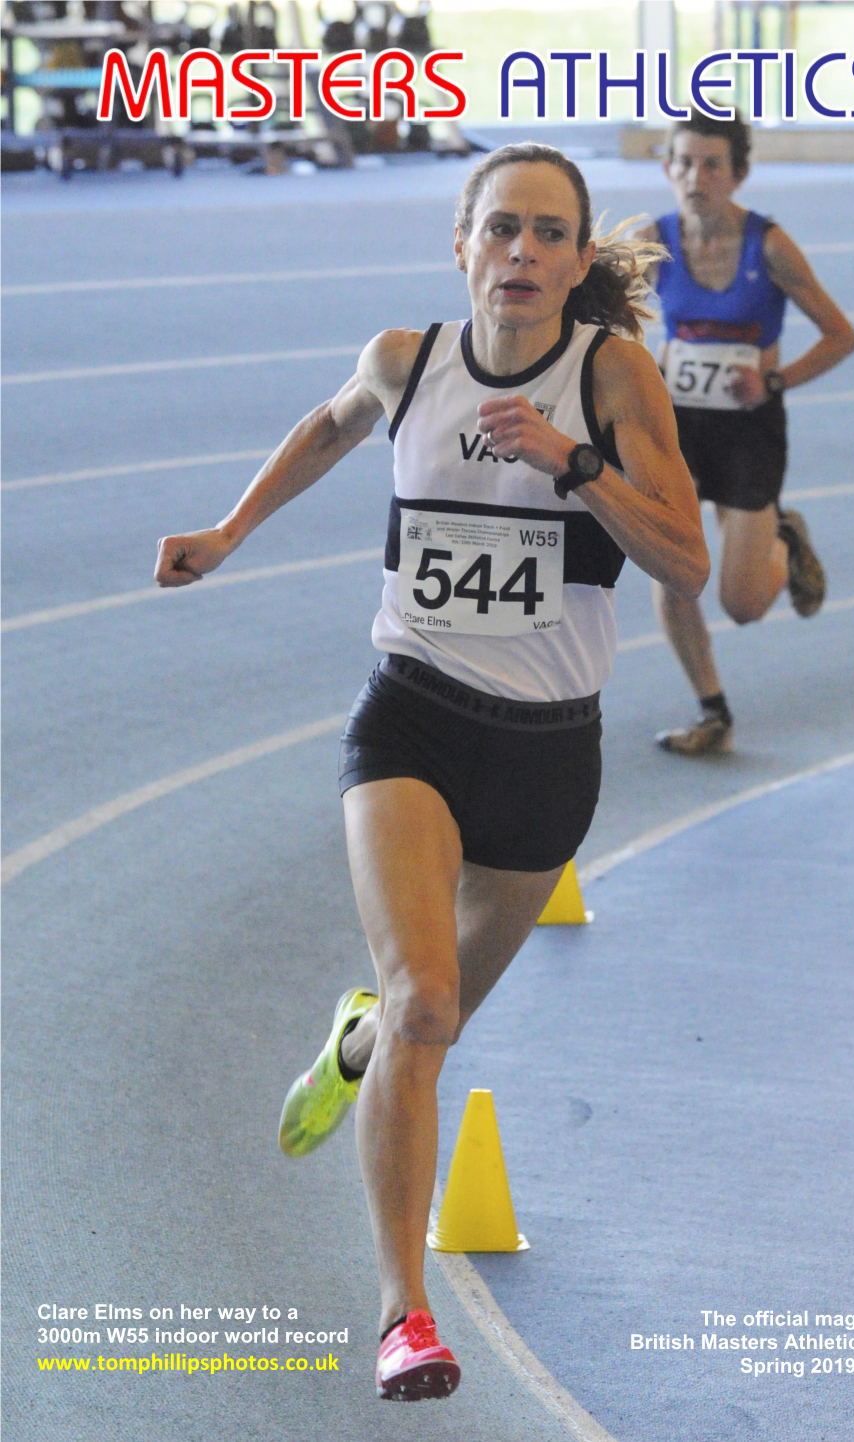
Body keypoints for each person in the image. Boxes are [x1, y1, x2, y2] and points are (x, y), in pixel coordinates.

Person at [154, 142, 709, 1401]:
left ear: (576, 261)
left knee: (426, 1016)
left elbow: (682, 562)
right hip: (410, 714)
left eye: (549, 235)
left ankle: (358, 1042)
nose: (522, 254)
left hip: (550, 748)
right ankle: (406, 1316)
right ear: (459, 243)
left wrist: (574, 462)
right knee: (428, 1008)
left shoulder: (610, 373)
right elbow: (327, 428)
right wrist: (228, 532)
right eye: (500, 228)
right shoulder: (407, 359)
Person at [638, 112, 854, 755]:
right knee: (673, 572)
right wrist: (643, 364)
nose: (695, 177)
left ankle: (784, 536)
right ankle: (713, 711)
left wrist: (776, 382)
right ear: (666, 168)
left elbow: (841, 335)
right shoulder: (656, 241)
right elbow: (605, 322)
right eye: (683, 163)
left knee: (742, 604)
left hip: (748, 431)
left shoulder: (770, 247)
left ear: (739, 174)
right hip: (677, 427)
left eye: (712, 165)